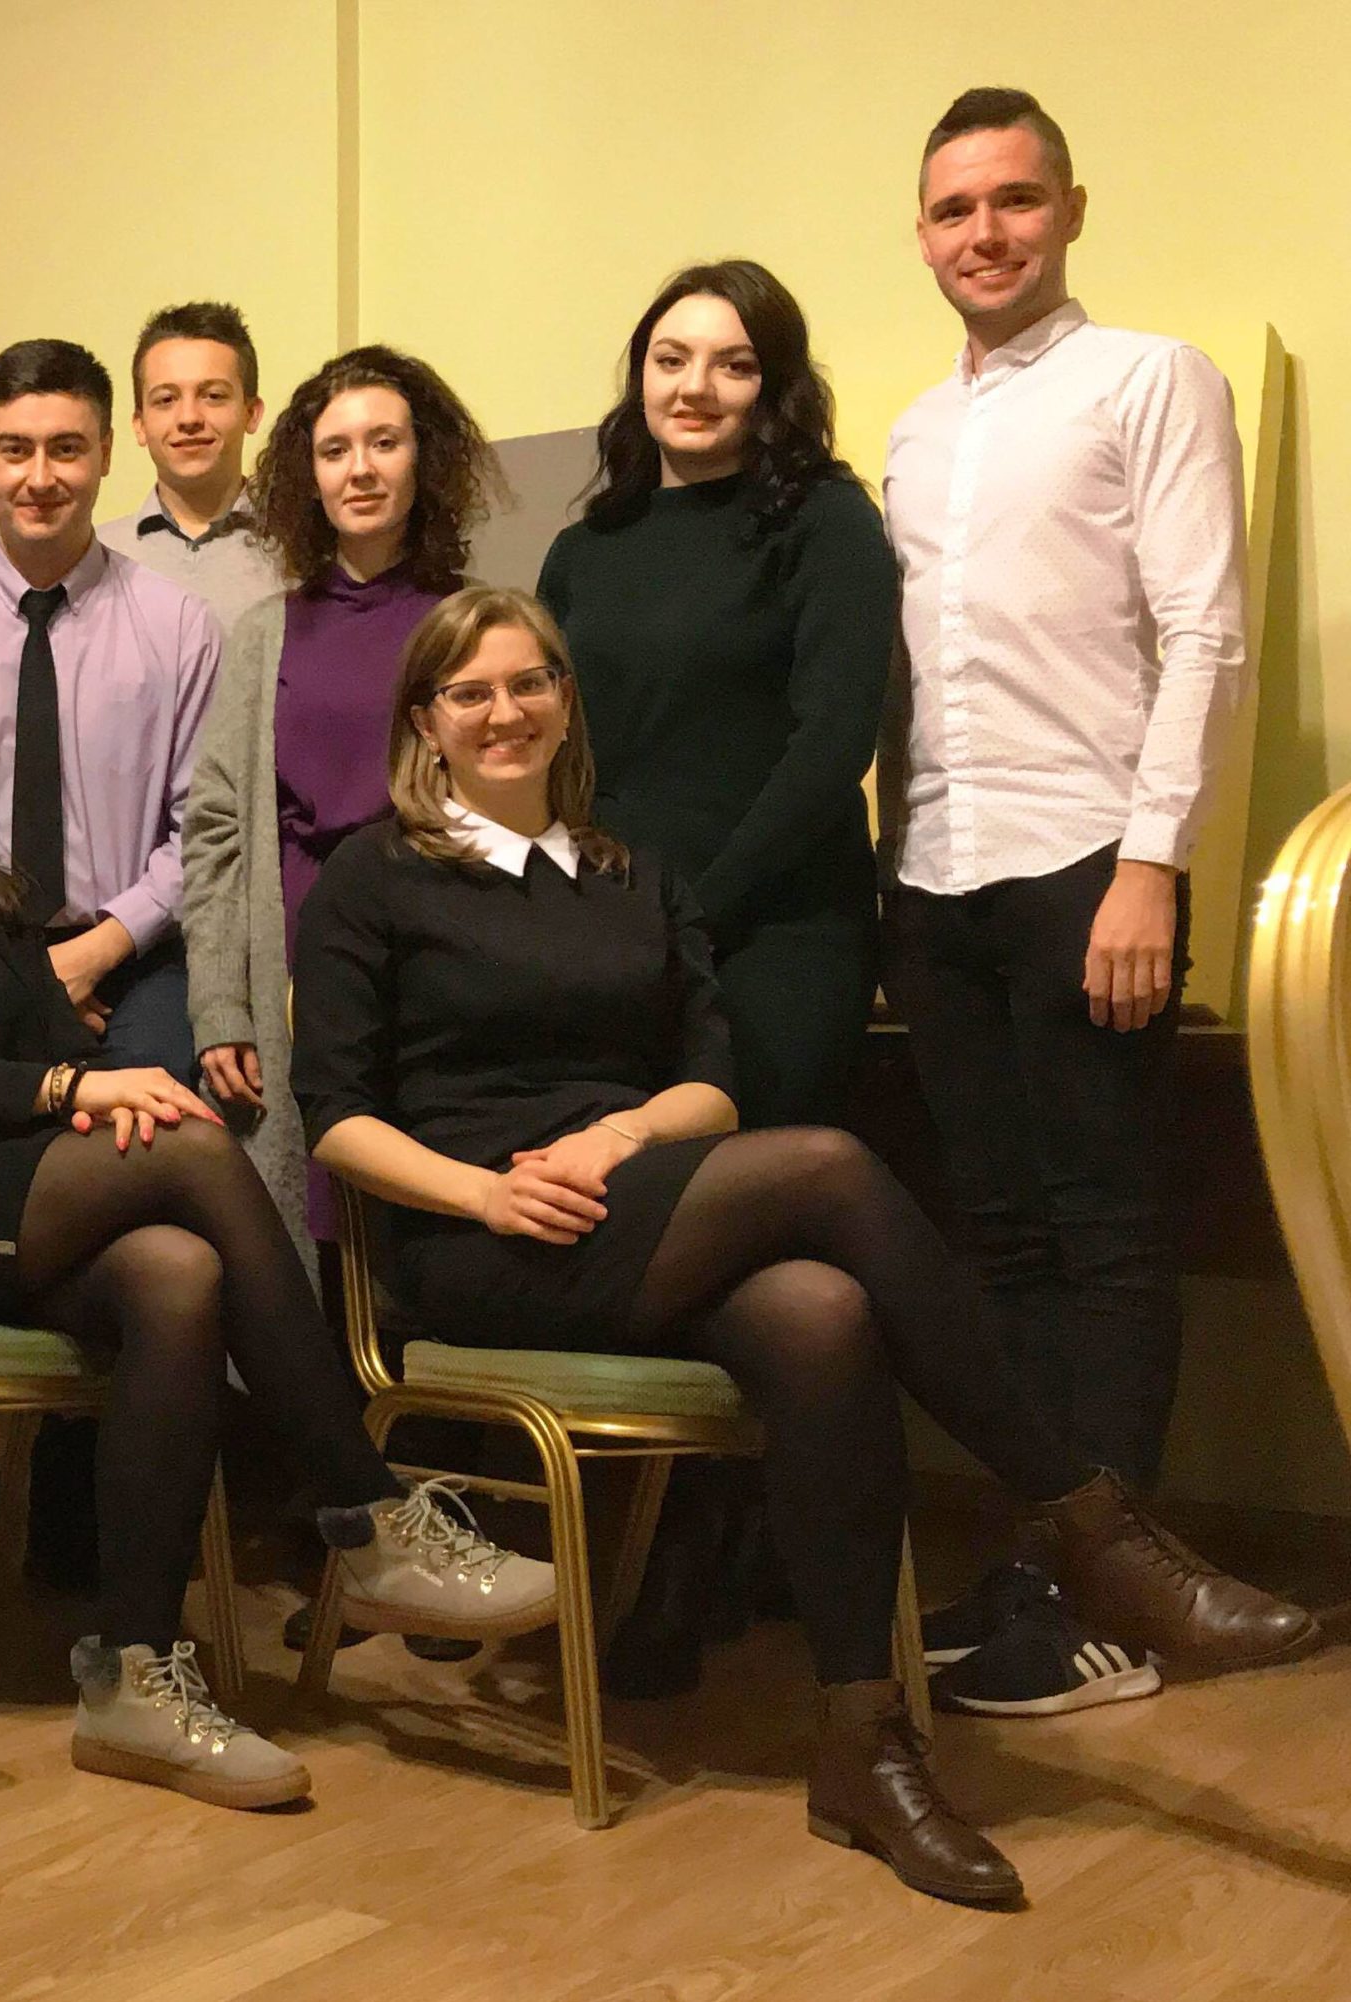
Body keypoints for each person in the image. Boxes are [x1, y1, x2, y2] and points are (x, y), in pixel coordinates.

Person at [292, 584, 1312, 1907]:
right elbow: (336, 1119)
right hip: (485, 1246)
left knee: (821, 1312)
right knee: (827, 1164)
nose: (504, 710)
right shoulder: (375, 877)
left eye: (529, 680)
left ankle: (861, 1744)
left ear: (565, 700)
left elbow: (710, 1088)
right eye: (469, 691)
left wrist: (618, 1136)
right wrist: (484, 1195)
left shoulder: (632, 871)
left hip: (636, 1211)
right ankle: (1092, 1526)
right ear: (425, 721)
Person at [0, 623, 558, 1811]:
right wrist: (69, 1090)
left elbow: (43, 1066)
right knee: (186, 1143)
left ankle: (132, 1674)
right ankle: (367, 1509)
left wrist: (85, 1094)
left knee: (176, 1269)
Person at [880, 89, 1255, 1717]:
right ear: (922, 233)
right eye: (956, 208)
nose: (987, 233)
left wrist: (1153, 861)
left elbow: (1207, 632)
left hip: (1089, 865)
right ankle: (1036, 1567)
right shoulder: (912, 433)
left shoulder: (1152, 377)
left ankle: (1110, 1604)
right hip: (936, 877)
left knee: (1106, 1235)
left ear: (1071, 209)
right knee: (1002, 1241)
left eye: (1015, 200)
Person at [537, 261, 897, 1699]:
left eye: (732, 362)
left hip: (779, 929)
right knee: (655, 1243)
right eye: (670, 358)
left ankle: (707, 1559)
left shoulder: (824, 519)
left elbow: (831, 746)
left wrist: (700, 913)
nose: (694, 387)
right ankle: (677, 1548)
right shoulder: (590, 545)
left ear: (774, 384)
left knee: (757, 1239)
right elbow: (556, 756)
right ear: (638, 375)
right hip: (627, 938)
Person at [184, 344, 491, 1269]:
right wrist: (221, 1007)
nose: (360, 469)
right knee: (304, 1222)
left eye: (384, 442)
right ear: (305, 476)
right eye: (334, 449)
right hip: (294, 952)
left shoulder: (477, 622)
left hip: (441, 950)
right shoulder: (263, 633)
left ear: (423, 458)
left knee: (438, 1204)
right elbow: (215, 828)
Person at [0, 338, 220, 1082]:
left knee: (153, 1125)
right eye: (15, 450)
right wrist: (11, 975)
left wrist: (97, 950)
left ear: (106, 453)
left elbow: (203, 831)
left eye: (66, 449)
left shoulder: (179, 627)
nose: (39, 478)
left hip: (132, 955)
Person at [97, 302, 281, 632]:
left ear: (251, 413)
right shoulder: (95, 557)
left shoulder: (299, 551)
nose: (189, 418)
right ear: (139, 424)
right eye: (166, 399)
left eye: (213, 396)